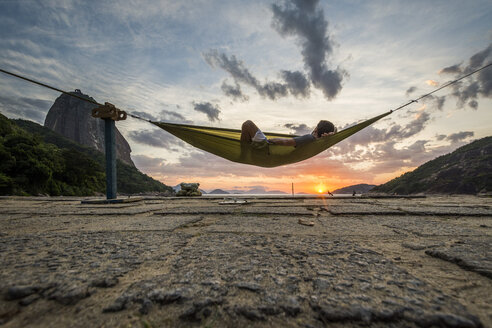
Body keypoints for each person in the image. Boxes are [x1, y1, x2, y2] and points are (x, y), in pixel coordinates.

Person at [240, 120, 337, 148]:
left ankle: (243, 152)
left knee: (247, 124)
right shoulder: (316, 143)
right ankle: (245, 149)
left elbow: (287, 142)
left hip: (266, 147)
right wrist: (332, 135)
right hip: (267, 150)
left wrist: (270, 140)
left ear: (316, 128)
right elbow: (335, 131)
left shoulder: (309, 138)